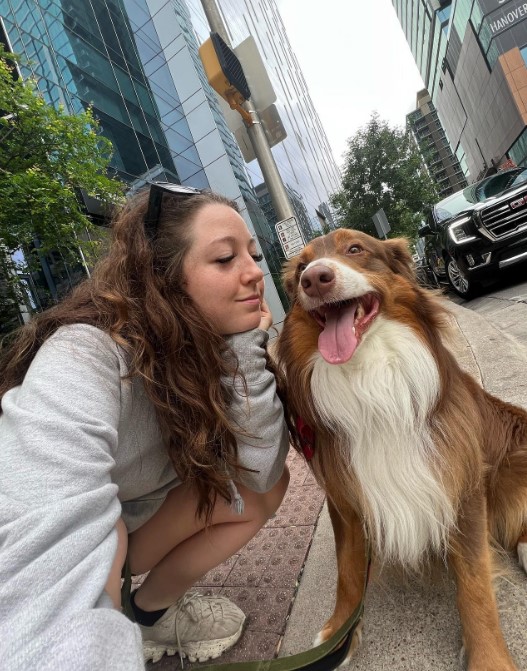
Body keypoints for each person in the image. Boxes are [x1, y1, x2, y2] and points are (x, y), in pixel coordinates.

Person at [0, 183, 290, 671]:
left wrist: (244, 349)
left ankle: (150, 613)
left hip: (136, 521)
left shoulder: (209, 347)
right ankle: (111, 617)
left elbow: (259, 470)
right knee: (99, 529)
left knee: (265, 489)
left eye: (253, 255)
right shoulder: (85, 354)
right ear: (166, 278)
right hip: (75, 541)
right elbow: (43, 537)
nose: (254, 273)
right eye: (224, 260)